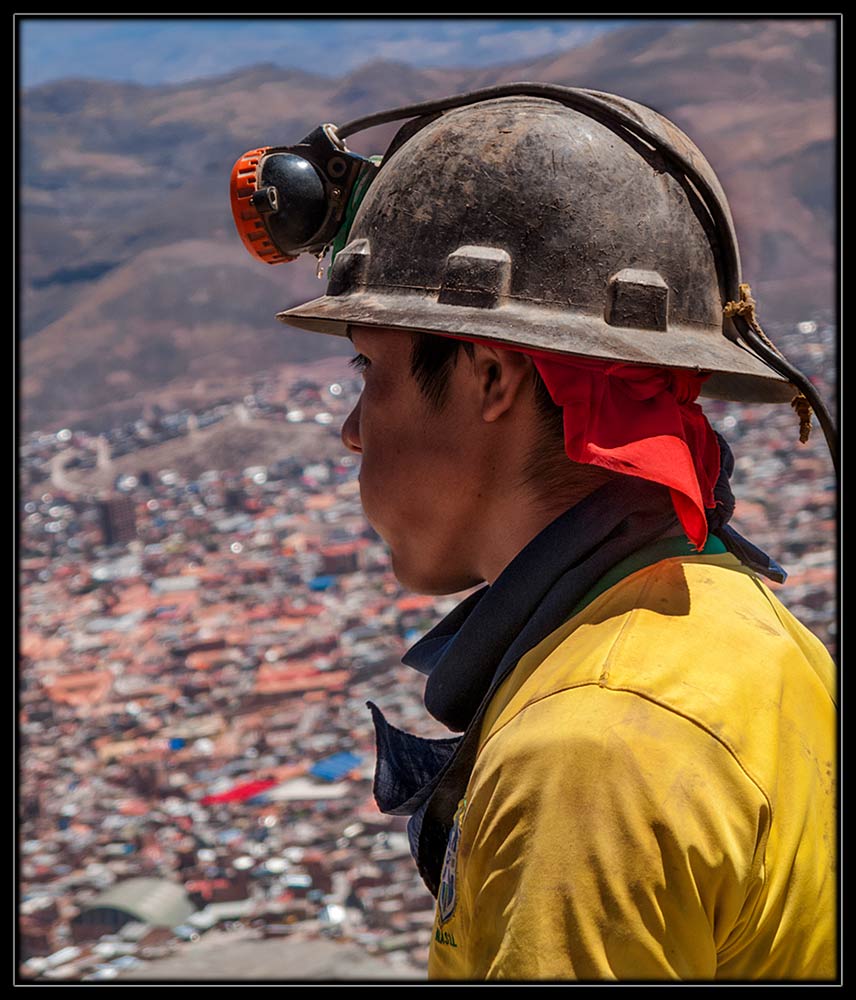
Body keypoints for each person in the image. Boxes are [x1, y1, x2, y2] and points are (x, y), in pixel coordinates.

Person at [231, 84, 837, 981]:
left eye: (370, 366)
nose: (353, 428)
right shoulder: (744, 625)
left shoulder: (586, 754)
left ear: (488, 375)